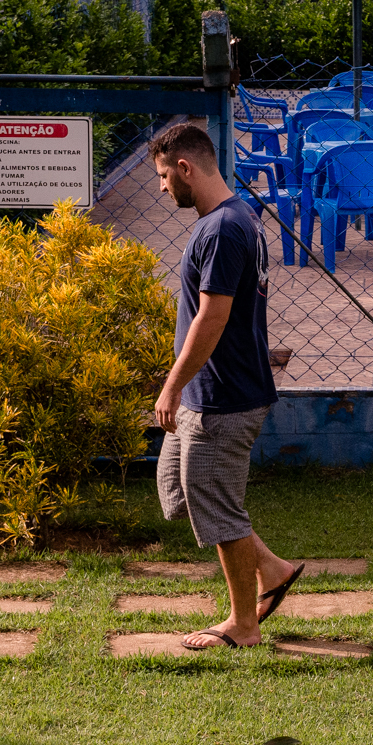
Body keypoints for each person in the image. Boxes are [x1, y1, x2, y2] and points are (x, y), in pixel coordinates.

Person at [149, 123, 302, 650]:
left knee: (218, 508)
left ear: (185, 168)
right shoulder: (235, 218)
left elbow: (212, 317)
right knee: (179, 494)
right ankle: (273, 569)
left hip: (222, 397)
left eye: (164, 176)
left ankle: (243, 624)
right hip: (208, 392)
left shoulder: (221, 230)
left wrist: (171, 387)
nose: (163, 187)